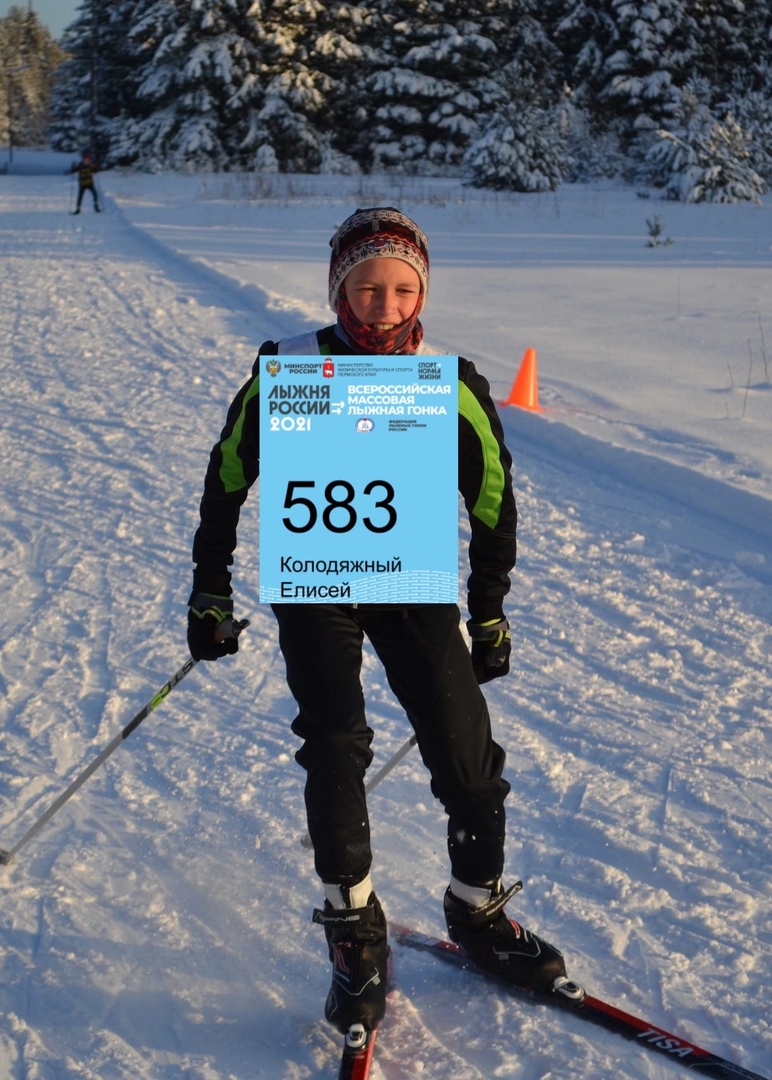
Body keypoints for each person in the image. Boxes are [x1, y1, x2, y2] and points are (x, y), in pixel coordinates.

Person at [186, 207, 567, 1037]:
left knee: (466, 754)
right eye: (366, 287)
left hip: (410, 584)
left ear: (421, 294)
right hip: (317, 585)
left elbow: (492, 498)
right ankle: (353, 927)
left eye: (402, 289)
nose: (384, 305)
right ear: (338, 289)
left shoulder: (446, 381)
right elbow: (227, 476)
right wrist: (209, 588)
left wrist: (490, 612)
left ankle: (477, 909)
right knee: (334, 743)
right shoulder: (287, 368)